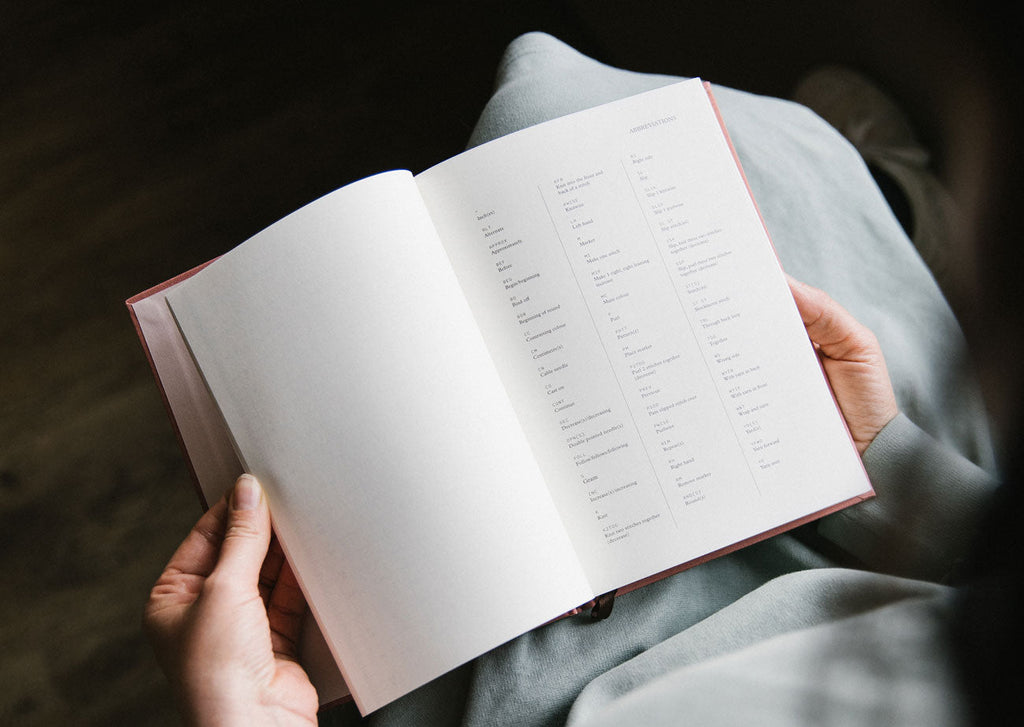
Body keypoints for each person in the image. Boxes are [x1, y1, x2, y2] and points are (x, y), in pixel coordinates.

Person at [146, 32, 1011, 727]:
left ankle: (880, 193)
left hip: (503, 684)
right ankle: (885, 197)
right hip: (874, 548)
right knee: (554, 111)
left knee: (555, 116)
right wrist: (889, 464)